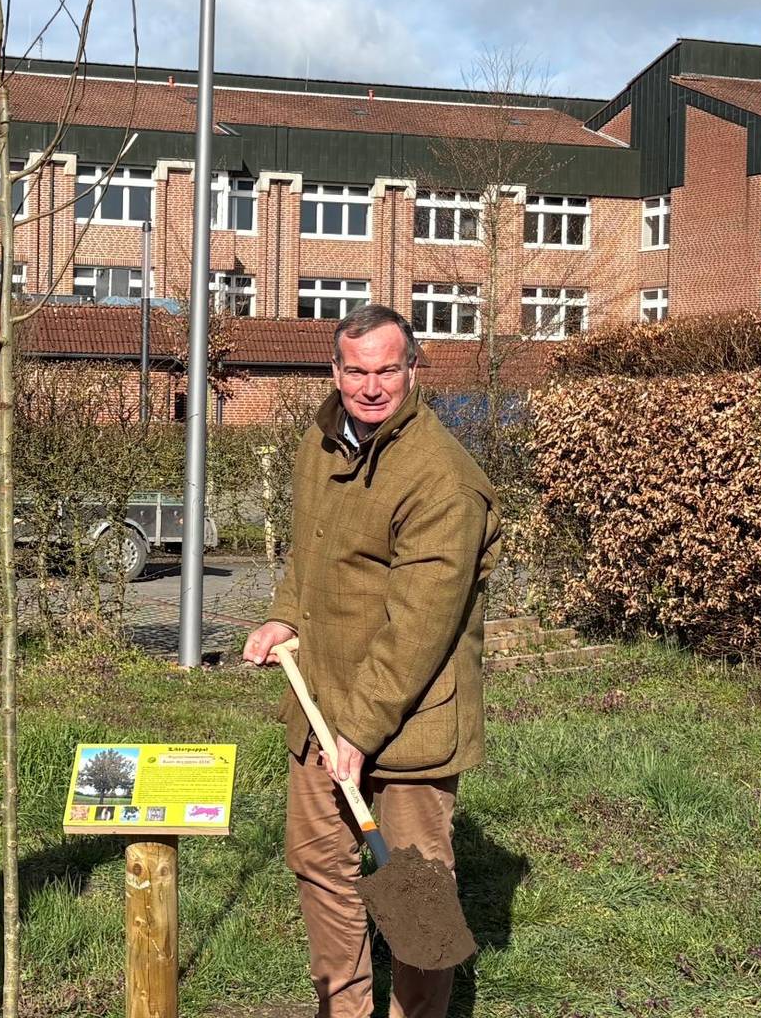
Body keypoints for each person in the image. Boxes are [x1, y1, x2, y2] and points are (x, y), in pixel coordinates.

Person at [244, 304, 499, 1018]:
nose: (371, 385)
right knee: (321, 870)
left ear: (414, 371)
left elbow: (420, 624)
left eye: (388, 369)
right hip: (318, 707)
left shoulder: (442, 478)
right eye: (356, 370)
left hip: (408, 723)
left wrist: (356, 733)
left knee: (413, 892)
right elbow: (309, 557)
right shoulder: (320, 443)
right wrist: (281, 617)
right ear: (335, 371)